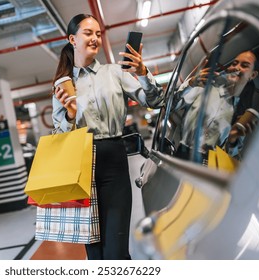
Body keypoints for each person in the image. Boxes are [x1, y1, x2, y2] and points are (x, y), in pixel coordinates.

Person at [51, 14, 163, 260]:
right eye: (88, 33)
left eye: (98, 34)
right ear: (72, 39)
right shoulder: (63, 85)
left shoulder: (115, 73)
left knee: (116, 250)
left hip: (114, 162)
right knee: (95, 252)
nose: (95, 38)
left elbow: (155, 101)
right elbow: (58, 136)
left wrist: (143, 72)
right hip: (80, 166)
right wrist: (70, 115)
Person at [172, 50, 259, 161]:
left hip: (207, 165)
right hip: (180, 155)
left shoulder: (241, 113)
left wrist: (232, 138)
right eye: (234, 63)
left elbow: (230, 154)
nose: (236, 67)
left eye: (244, 65)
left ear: (252, 75)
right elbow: (171, 105)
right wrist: (190, 84)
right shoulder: (204, 88)